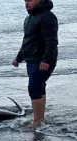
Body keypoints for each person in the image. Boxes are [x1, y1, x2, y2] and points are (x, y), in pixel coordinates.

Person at [12, 0, 58, 128]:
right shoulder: (29, 18)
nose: (27, 3)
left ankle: (37, 122)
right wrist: (18, 57)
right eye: (25, 0)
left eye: (30, 0)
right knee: (39, 87)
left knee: (34, 88)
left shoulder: (48, 17)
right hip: (31, 59)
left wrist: (46, 60)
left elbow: (52, 42)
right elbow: (27, 40)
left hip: (41, 60)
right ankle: (40, 118)